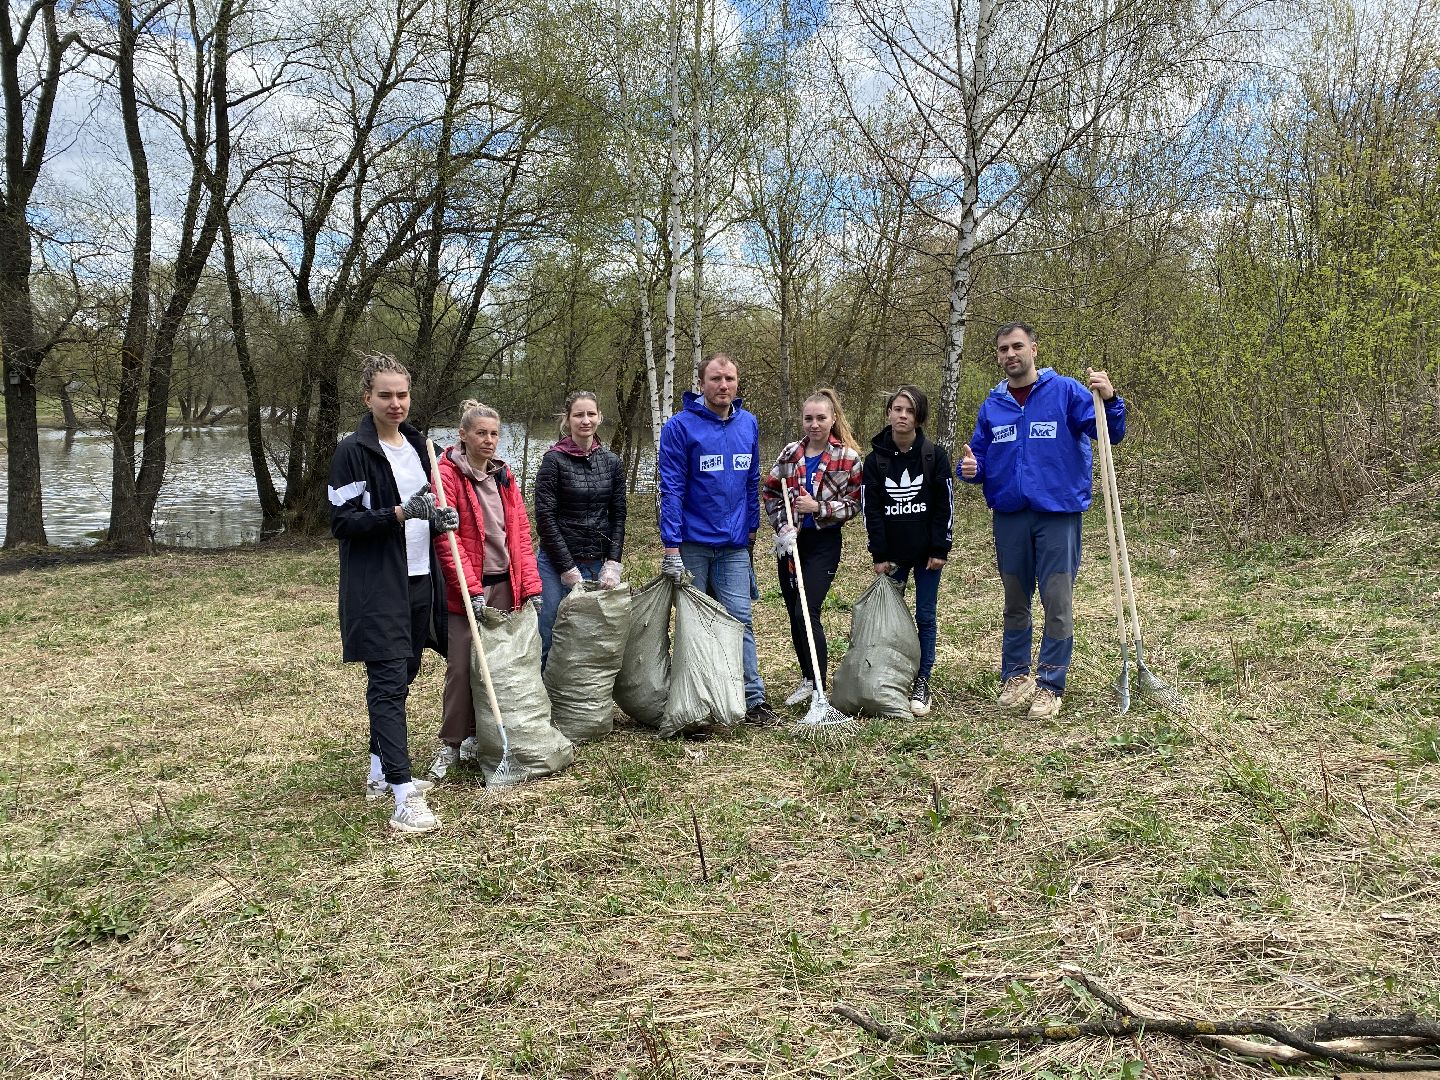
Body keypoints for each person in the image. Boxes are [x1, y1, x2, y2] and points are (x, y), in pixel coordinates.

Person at [958, 321, 1124, 721]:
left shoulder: (1065, 391)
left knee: (1056, 600)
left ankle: (1050, 683)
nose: (1010, 355)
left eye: (1017, 347)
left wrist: (1111, 398)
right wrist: (970, 468)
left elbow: (1109, 432)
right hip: (1010, 515)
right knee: (1015, 600)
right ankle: (1016, 676)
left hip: (1057, 513)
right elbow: (979, 458)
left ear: (1034, 349)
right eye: (1003, 350)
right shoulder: (993, 405)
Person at [329, 354, 458, 835]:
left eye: (402, 394)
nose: (396, 403)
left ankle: (379, 770)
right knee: (387, 680)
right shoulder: (353, 452)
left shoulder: (421, 445)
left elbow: (432, 502)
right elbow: (342, 523)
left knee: (404, 671)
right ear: (368, 398)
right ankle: (404, 797)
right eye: (385, 395)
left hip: (422, 576)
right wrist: (400, 515)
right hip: (379, 582)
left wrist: (439, 519)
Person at [658, 352, 778, 726]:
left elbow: (751, 482)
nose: (723, 385)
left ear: (737, 382)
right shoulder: (680, 427)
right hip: (692, 544)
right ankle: (696, 705)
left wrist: (752, 530)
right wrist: (671, 546)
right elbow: (672, 488)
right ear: (701, 383)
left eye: (729, 379)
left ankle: (751, 699)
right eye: (715, 379)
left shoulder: (749, 424)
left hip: (734, 546)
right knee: (695, 625)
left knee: (739, 620)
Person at [429, 400, 542, 779]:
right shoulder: (447, 475)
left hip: (505, 587)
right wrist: (471, 592)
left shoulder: (504, 477)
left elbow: (521, 536)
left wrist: (529, 586)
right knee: (462, 667)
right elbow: (449, 541)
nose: (488, 440)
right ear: (463, 434)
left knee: (497, 666)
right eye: (480, 433)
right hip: (467, 590)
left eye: (494, 433)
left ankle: (485, 735)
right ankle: (451, 744)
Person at [761, 389, 863, 705]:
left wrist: (817, 507)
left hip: (823, 544)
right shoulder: (790, 454)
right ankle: (808, 678)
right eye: (809, 418)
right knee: (794, 611)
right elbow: (770, 492)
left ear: (833, 419)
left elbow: (854, 504)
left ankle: (820, 691)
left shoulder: (847, 458)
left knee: (809, 610)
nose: (814, 424)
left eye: (821, 418)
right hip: (792, 544)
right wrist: (783, 525)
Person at [861, 384, 952, 717]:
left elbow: (944, 506)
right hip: (893, 558)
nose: (902, 416)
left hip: (928, 555)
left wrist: (941, 547)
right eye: (897, 409)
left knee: (925, 616)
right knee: (892, 621)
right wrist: (879, 555)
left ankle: (922, 680)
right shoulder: (874, 461)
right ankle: (892, 677)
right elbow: (871, 510)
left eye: (909, 410)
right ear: (888, 413)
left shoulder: (933, 455)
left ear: (919, 417)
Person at [533, 390, 627, 666]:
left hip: (596, 563)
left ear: (599, 417)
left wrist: (613, 562)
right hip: (555, 565)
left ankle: (580, 703)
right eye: (578, 415)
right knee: (549, 629)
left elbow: (618, 514)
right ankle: (544, 698)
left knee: (590, 635)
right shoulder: (553, 461)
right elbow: (545, 518)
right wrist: (566, 567)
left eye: (590, 414)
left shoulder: (611, 462)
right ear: (567, 419)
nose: (585, 420)